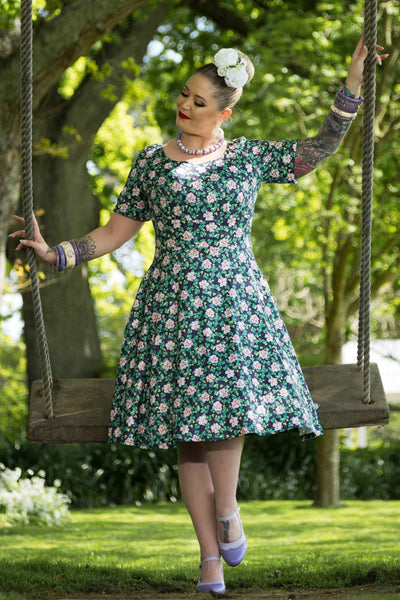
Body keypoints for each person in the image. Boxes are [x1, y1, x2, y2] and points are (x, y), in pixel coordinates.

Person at [12, 35, 387, 595]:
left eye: (199, 101)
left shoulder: (248, 159)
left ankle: (229, 509)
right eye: (183, 95)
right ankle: (210, 560)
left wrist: (354, 82)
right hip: (171, 305)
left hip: (234, 301)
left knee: (225, 415)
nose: (185, 106)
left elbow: (320, 147)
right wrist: (58, 253)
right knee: (187, 436)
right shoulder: (150, 164)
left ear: (224, 113)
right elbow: (114, 233)